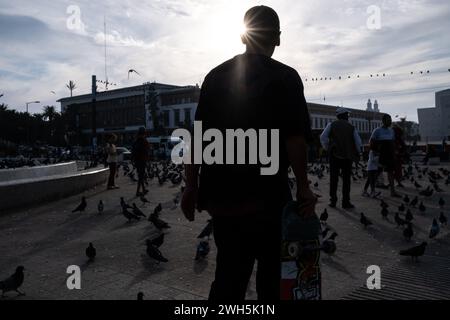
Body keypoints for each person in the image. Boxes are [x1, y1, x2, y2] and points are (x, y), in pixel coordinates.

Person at [181, 5, 316, 301]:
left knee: (228, 278)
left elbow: (198, 139)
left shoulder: (215, 76)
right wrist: (304, 186)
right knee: (272, 280)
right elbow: (295, 139)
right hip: (269, 200)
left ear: (243, 36)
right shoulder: (286, 77)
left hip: (224, 201)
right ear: (278, 38)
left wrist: (191, 186)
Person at [320, 108, 362, 209]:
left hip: (334, 156)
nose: (348, 117)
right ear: (344, 116)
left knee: (334, 179)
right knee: (346, 180)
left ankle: (333, 201)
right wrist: (358, 153)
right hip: (347, 157)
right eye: (347, 115)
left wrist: (328, 148)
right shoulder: (351, 127)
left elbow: (323, 137)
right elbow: (358, 143)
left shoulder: (331, 125)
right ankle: (345, 202)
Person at [370, 114, 400, 197]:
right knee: (376, 173)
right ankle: (372, 191)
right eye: (388, 120)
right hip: (380, 155)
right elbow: (372, 142)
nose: (390, 121)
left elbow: (393, 142)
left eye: (390, 119)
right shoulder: (377, 131)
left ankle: (392, 192)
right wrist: (375, 153)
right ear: (383, 121)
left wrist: (395, 151)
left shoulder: (391, 131)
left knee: (390, 172)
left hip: (390, 155)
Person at [132, 127, 150, 196]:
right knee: (141, 176)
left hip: (137, 161)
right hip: (142, 161)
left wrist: (133, 161)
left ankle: (143, 189)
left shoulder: (135, 141)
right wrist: (148, 160)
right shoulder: (144, 141)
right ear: (144, 133)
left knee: (141, 175)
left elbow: (132, 152)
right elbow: (147, 151)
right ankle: (137, 191)